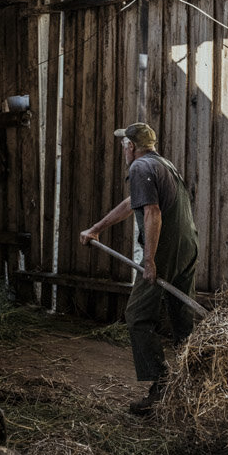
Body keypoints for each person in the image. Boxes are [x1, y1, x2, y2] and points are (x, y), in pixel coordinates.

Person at [80, 122, 199, 415]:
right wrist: (97, 228)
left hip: (166, 251)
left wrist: (149, 261)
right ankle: (195, 387)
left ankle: (160, 389)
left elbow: (153, 212)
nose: (123, 149)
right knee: (182, 319)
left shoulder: (140, 168)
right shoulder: (163, 164)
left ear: (132, 146)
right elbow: (135, 201)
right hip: (188, 247)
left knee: (137, 315)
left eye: (124, 145)